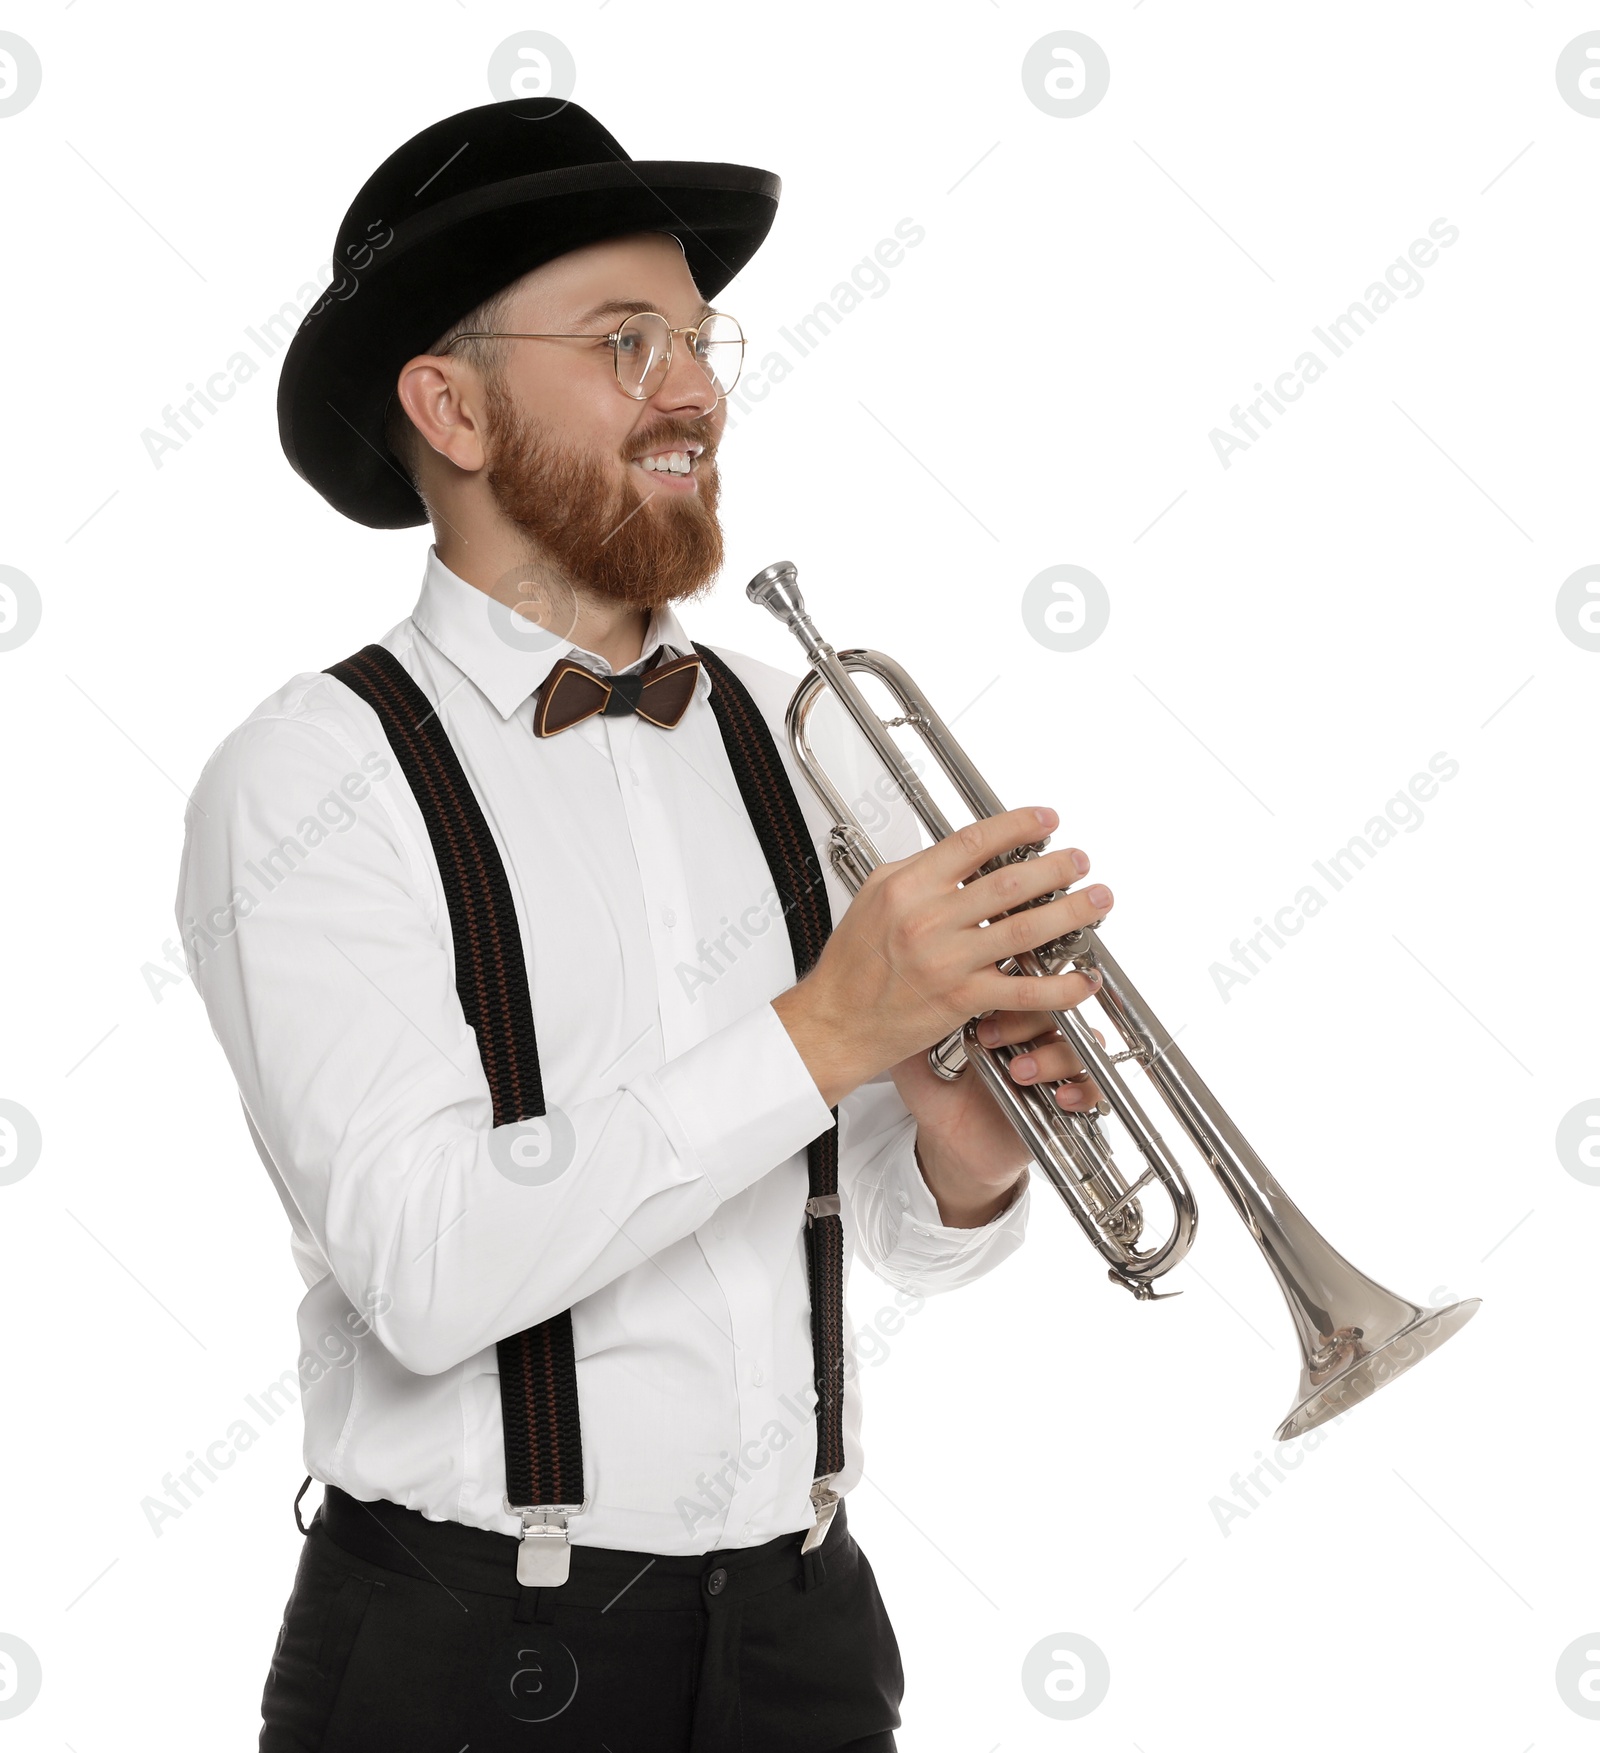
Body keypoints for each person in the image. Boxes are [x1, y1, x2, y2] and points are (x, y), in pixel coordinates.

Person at [177, 96, 1113, 1753]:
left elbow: (893, 1230)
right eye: (624, 342)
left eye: (698, 340)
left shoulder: (792, 725)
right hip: (473, 1660)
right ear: (450, 405)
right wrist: (830, 1027)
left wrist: (964, 1138)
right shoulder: (309, 777)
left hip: (810, 1638)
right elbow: (425, 1261)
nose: (694, 393)